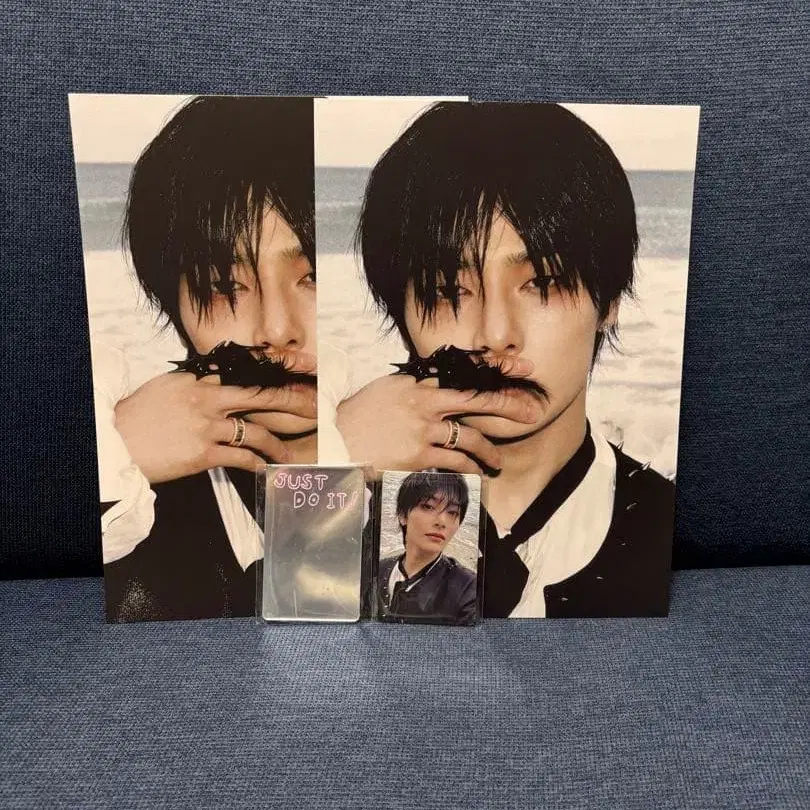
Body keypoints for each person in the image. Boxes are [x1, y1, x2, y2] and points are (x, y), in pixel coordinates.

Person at [334, 101, 675, 619]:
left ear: (608, 301)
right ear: (400, 313)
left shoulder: (664, 524)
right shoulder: (341, 503)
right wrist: (331, 471)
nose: (495, 335)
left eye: (542, 281)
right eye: (449, 289)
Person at [95, 96, 317, 622]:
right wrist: (116, 460)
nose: (277, 331)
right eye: (224, 284)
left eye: (314, 277)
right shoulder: (124, 478)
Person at [378, 472, 477, 624]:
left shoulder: (468, 588)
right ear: (403, 515)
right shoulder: (377, 570)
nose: (442, 522)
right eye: (428, 506)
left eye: (452, 512)